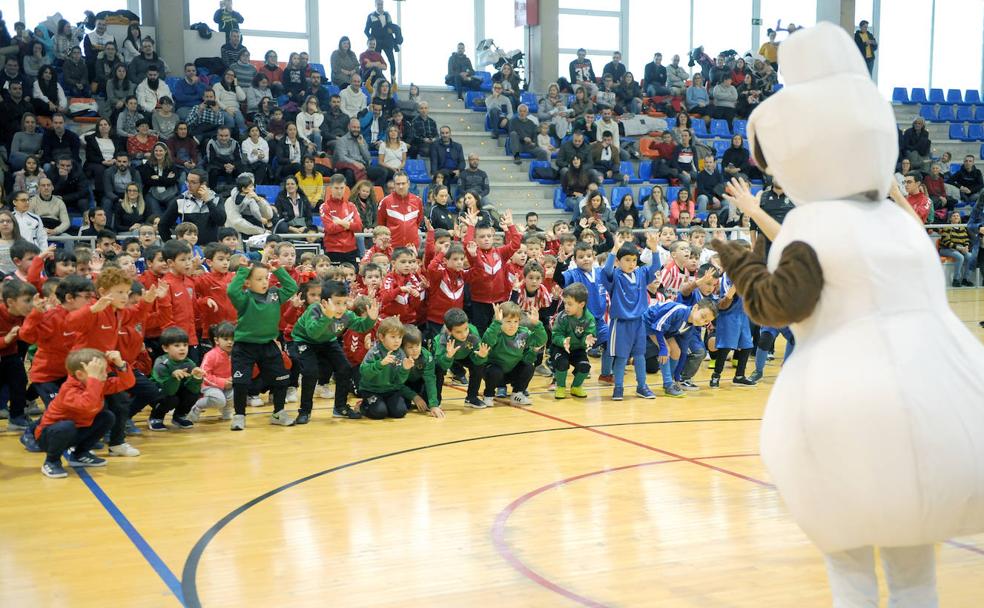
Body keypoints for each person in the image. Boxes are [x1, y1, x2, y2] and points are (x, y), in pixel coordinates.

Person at [710, 23, 984, 606]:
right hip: (940, 404)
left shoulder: (814, 223)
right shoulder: (902, 227)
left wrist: (739, 264)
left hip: (849, 412)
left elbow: (778, 305)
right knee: (914, 563)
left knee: (850, 561)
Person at [34, 349, 135, 478]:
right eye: (100, 371)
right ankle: (51, 461)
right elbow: (88, 405)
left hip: (75, 432)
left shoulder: (96, 383)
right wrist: (94, 379)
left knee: (107, 417)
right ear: (80, 374)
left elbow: (127, 383)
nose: (106, 375)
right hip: (48, 436)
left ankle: (80, 454)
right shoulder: (69, 390)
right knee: (66, 426)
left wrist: (120, 365)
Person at [227, 259, 297, 430]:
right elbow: (231, 291)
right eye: (259, 279)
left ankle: (278, 413)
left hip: (268, 345)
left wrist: (279, 270)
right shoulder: (244, 299)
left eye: (266, 278)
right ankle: (239, 415)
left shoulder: (274, 295)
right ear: (248, 283)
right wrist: (243, 270)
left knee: (281, 379)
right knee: (241, 382)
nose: (264, 282)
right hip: (245, 346)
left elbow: (292, 287)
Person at [292, 280, 375, 424]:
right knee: (310, 372)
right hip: (305, 341)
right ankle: (305, 411)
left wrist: (371, 319)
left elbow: (361, 326)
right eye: (337, 303)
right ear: (324, 302)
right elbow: (313, 333)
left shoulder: (346, 314)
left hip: (328, 341)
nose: (341, 308)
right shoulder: (314, 310)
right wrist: (327, 316)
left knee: (344, 368)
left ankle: (340, 407)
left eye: (344, 303)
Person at [602, 232, 661, 400]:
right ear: (618, 262)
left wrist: (654, 249)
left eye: (634, 260)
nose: (631, 263)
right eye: (627, 259)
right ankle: (618, 388)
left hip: (639, 323)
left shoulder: (642, 273)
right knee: (621, 358)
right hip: (620, 323)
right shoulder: (616, 275)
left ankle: (642, 386)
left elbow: (656, 267)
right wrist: (614, 249)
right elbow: (606, 270)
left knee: (640, 356)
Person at [479, 302, 546, 407]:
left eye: (516, 321)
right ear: (500, 321)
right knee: (495, 371)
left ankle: (517, 394)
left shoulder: (523, 333)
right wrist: (496, 323)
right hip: (493, 372)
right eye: (508, 321)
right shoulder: (495, 332)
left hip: (512, 372)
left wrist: (537, 324)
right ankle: (488, 395)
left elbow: (540, 340)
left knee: (529, 367)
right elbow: (487, 342)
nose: (512, 325)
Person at [147, 327, 204, 431]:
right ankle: (156, 417)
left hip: (174, 391)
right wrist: (174, 377)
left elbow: (193, 389)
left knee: (193, 394)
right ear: (165, 348)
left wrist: (197, 378)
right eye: (177, 345)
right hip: (160, 393)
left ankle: (180, 416)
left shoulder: (189, 363)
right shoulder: (161, 364)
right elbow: (168, 391)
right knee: (171, 399)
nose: (182, 348)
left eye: (185, 345)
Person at [550, 283, 597, 399]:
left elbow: (589, 335)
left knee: (585, 366)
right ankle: (560, 387)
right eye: (565, 303)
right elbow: (555, 335)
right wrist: (562, 341)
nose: (566, 307)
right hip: (560, 347)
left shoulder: (589, 318)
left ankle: (576, 387)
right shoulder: (562, 317)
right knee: (562, 363)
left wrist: (586, 340)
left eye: (569, 304)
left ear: (581, 304)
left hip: (577, 349)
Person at [159, 169, 226, 243]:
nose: (188, 185)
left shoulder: (216, 199)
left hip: (211, 248)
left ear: (203, 184)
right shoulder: (180, 200)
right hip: (188, 249)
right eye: (187, 181)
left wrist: (208, 201)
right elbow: (163, 225)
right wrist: (171, 243)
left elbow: (221, 221)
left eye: (193, 182)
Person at [321, 174, 364, 264]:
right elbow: (330, 228)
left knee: (352, 278)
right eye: (336, 188)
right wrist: (349, 224)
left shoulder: (351, 206)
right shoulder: (325, 206)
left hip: (351, 250)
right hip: (333, 250)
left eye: (342, 188)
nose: (339, 191)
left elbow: (359, 226)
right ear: (331, 188)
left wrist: (340, 222)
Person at [364, 0, 400, 82]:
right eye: (379, 4)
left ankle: (393, 81)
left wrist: (395, 43)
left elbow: (391, 28)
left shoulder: (387, 14)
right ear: (375, 5)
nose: (380, 6)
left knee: (392, 62)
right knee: (378, 62)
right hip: (377, 43)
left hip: (388, 42)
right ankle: (379, 80)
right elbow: (366, 30)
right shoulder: (371, 16)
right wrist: (372, 40)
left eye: (382, 4)